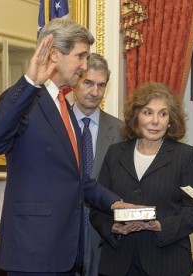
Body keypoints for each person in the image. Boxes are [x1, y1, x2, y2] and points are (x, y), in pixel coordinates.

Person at [0, 18, 134, 275]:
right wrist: (29, 82)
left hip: (64, 252)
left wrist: (115, 204)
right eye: (80, 56)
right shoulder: (26, 99)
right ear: (55, 54)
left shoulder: (66, 108)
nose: (84, 66)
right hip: (32, 252)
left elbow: (78, 180)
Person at [90, 82, 193, 276]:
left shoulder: (184, 155)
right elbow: (97, 208)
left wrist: (160, 226)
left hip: (168, 263)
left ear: (170, 121)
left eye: (163, 114)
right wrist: (113, 228)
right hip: (118, 262)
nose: (155, 121)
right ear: (136, 117)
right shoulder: (115, 153)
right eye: (148, 112)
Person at [72, 53, 125, 276]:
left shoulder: (122, 132)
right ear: (75, 81)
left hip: (102, 235)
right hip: (63, 233)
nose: (95, 92)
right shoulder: (55, 125)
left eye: (101, 85)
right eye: (88, 83)